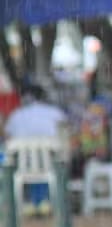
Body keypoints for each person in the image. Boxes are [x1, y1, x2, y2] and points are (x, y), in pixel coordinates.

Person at [2, 83, 68, 216]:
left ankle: (33, 202)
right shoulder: (55, 113)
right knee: (52, 161)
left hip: (22, 166)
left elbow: (7, 138)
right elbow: (65, 136)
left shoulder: (16, 115)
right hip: (51, 165)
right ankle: (44, 202)